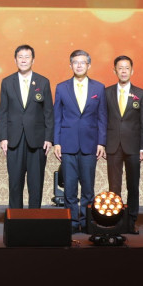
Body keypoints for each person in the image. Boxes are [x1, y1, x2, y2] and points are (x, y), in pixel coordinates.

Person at [53, 49, 107, 234]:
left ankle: (87, 222)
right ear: (70, 65)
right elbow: (57, 117)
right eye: (75, 62)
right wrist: (56, 142)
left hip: (90, 144)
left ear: (89, 65)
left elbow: (102, 117)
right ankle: (72, 223)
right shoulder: (61, 87)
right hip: (67, 144)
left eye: (82, 62)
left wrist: (101, 142)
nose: (79, 65)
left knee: (88, 189)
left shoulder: (99, 88)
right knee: (69, 188)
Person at [0, 45, 54, 209]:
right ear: (15, 60)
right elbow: (3, 112)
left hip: (37, 140)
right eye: (20, 57)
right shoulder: (7, 82)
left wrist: (49, 138)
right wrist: (3, 137)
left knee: (36, 183)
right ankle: (15, 219)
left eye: (27, 57)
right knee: (15, 183)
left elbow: (48, 112)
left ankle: (34, 218)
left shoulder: (43, 82)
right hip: (13, 139)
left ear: (33, 60)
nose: (23, 60)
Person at [104, 55, 143, 234]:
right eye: (120, 68)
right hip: (113, 144)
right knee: (114, 186)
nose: (123, 71)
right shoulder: (106, 92)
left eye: (126, 68)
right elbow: (102, 120)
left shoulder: (141, 94)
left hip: (134, 146)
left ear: (132, 71)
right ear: (114, 71)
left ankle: (132, 221)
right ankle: (115, 220)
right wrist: (102, 143)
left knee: (133, 186)